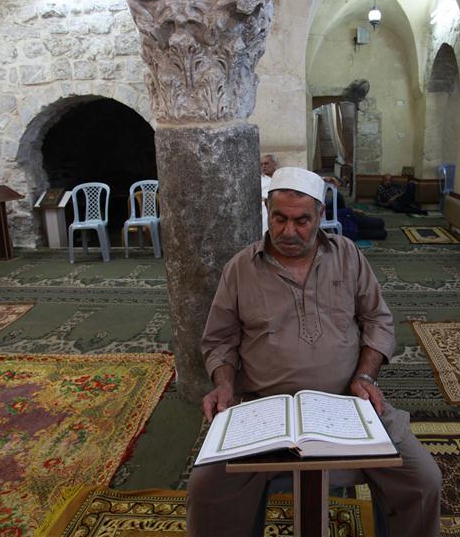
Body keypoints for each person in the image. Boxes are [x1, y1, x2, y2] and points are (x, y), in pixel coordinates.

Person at [187, 167, 442, 536]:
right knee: (207, 489)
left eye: (302, 220)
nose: (289, 232)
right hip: (264, 407)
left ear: (320, 215)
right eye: (280, 218)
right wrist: (224, 383)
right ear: (267, 211)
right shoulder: (241, 268)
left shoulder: (348, 256)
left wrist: (365, 376)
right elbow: (219, 340)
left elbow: (378, 320)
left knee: (423, 480)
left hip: (347, 404)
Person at [323, 176, 387, 240]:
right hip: (349, 230)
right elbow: (331, 214)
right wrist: (352, 210)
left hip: (350, 219)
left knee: (380, 222)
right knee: (382, 234)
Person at [260, 154, 278, 236]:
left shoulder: (280, 178)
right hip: (262, 209)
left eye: (266, 164)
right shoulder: (258, 180)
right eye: (262, 164)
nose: (264, 166)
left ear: (274, 164)